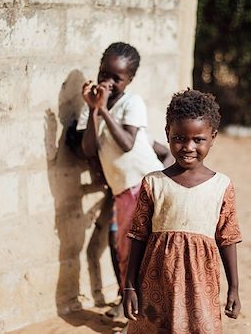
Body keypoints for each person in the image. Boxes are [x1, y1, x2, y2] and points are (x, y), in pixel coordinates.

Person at [123, 89, 242, 333]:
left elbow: (227, 239)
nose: (188, 146)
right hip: (156, 284)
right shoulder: (153, 182)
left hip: (201, 287)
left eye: (198, 140)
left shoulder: (221, 186)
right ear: (167, 134)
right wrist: (129, 286)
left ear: (213, 137)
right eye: (179, 138)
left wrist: (234, 288)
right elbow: (137, 236)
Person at [77, 42, 168, 312]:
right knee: (123, 247)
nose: (108, 82)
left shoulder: (132, 102)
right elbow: (89, 149)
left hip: (144, 184)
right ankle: (130, 304)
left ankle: (144, 309)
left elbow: (127, 142)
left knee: (144, 248)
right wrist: (94, 110)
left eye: (117, 78)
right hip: (122, 191)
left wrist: (103, 110)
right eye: (104, 73)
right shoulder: (92, 107)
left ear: (130, 80)